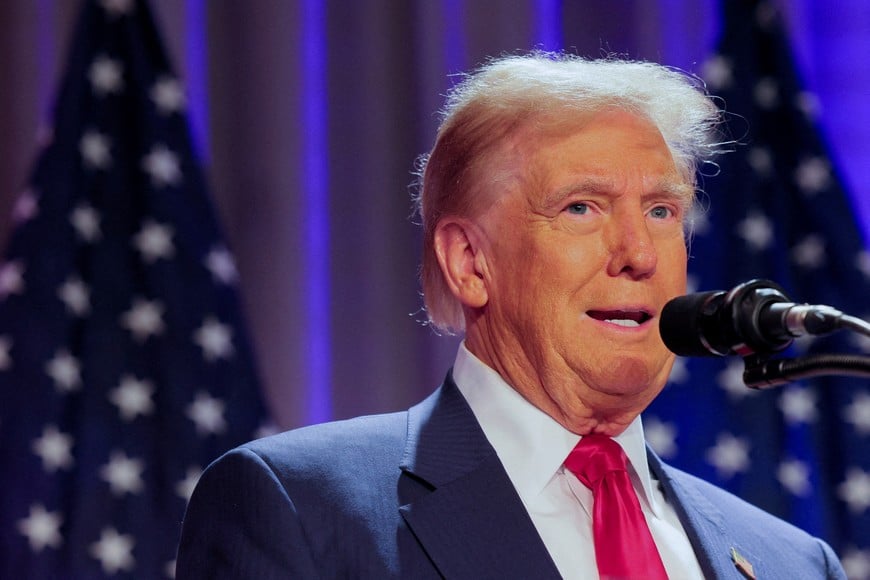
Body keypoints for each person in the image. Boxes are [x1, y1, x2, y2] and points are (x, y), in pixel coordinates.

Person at [176, 53, 846, 579]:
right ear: (470, 262)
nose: (639, 252)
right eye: (582, 207)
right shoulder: (304, 511)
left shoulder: (793, 563)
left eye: (662, 211)